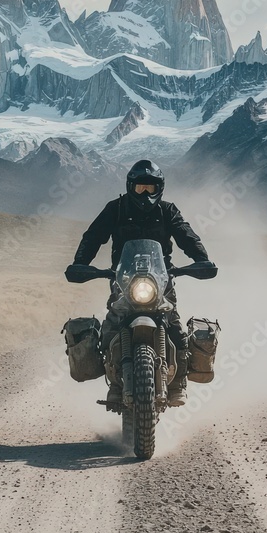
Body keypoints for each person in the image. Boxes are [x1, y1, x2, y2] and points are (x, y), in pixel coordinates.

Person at [71, 160, 211, 407]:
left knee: (176, 327)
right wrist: (80, 262)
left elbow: (187, 236)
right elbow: (93, 237)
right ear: (130, 187)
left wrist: (202, 259)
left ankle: (178, 383)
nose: (145, 194)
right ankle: (115, 384)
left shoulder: (168, 211)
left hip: (161, 280)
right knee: (110, 328)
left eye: (150, 188)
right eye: (140, 189)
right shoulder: (115, 209)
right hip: (123, 280)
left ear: (160, 188)